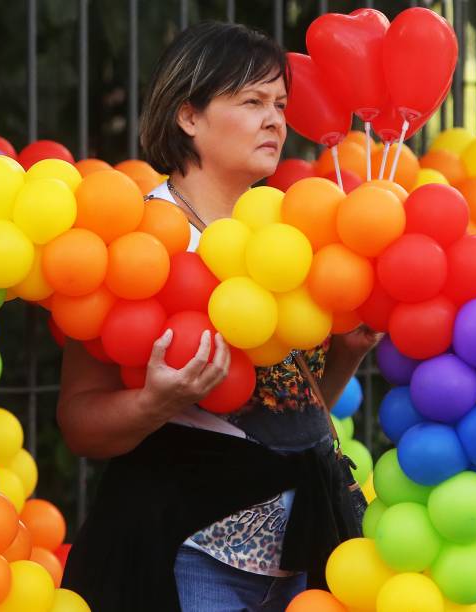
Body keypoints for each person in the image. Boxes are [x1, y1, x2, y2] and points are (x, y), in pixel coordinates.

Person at [57, 21, 381, 612]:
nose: (275, 120)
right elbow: (78, 423)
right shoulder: (134, 238)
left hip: (305, 557)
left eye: (280, 104)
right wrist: (153, 404)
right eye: (251, 101)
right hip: (191, 557)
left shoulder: (293, 232)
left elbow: (289, 415)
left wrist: (348, 354)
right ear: (188, 116)